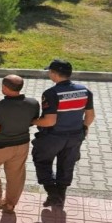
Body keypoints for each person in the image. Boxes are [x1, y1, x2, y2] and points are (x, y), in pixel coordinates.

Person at [31, 59, 95, 208]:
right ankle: (61, 195)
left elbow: (49, 121)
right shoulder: (84, 91)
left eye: (50, 71)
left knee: (42, 161)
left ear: (54, 74)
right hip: (75, 136)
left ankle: (52, 194)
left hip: (53, 137)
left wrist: (33, 121)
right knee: (67, 165)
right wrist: (84, 129)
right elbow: (90, 116)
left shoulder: (51, 93)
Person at [0, 75, 40, 214]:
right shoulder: (33, 103)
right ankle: (10, 205)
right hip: (22, 145)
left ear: (5, 87)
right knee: (16, 176)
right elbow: (32, 121)